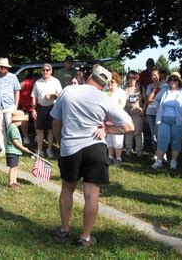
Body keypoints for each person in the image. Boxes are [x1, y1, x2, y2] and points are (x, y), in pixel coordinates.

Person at [50, 65, 134, 248]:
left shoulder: (68, 91)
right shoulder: (105, 98)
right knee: (91, 195)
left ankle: (64, 229)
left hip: (70, 147)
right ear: (104, 84)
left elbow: (56, 122)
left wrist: (59, 141)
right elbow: (129, 127)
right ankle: (86, 237)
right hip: (95, 148)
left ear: (89, 76)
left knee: (67, 189)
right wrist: (107, 129)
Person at [151, 72, 182, 170]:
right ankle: (159, 161)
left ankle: (173, 162)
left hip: (178, 121)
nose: (172, 82)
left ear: (179, 82)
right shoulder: (164, 91)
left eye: (175, 80)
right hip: (163, 120)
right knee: (162, 140)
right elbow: (155, 100)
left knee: (176, 141)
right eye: (171, 80)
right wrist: (158, 108)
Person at [31, 63, 62, 158]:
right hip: (40, 107)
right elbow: (34, 96)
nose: (45, 72)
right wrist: (33, 110)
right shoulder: (38, 82)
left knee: (51, 130)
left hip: (52, 107)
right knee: (39, 130)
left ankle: (49, 149)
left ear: (51, 71)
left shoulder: (55, 81)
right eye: (43, 70)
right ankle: (40, 150)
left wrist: (53, 96)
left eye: (47, 70)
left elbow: (61, 95)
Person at [0, 58, 21, 156]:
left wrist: (16, 104)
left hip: (9, 105)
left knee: (11, 127)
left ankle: (13, 147)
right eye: (1, 66)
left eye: (4, 67)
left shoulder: (13, 77)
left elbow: (17, 90)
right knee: (0, 128)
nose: (3, 68)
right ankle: (2, 148)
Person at [143, 68, 167, 157]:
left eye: (155, 75)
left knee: (160, 133)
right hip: (150, 112)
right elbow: (148, 99)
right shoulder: (150, 86)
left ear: (159, 75)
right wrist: (155, 88)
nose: (153, 77)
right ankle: (156, 152)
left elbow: (164, 100)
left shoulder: (165, 85)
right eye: (152, 75)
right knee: (153, 134)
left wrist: (154, 99)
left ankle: (162, 153)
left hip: (160, 112)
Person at [5, 110, 31, 189]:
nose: (22, 123)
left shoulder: (13, 127)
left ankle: (14, 181)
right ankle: (11, 182)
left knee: (15, 167)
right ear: (17, 120)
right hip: (12, 150)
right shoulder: (13, 128)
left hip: (15, 151)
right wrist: (23, 148)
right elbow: (15, 141)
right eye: (21, 121)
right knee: (13, 167)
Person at [106, 72, 127, 167]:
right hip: (107, 119)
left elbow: (121, 106)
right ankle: (110, 156)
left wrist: (113, 115)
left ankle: (118, 158)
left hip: (116, 119)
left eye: (113, 82)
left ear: (117, 82)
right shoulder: (106, 92)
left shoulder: (121, 92)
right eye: (109, 82)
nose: (110, 84)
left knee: (117, 140)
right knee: (109, 139)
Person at [124, 71, 144, 157]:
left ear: (137, 79)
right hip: (127, 113)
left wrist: (143, 109)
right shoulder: (124, 88)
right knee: (128, 132)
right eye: (130, 78)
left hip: (137, 113)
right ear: (127, 78)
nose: (132, 80)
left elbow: (146, 100)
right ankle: (128, 149)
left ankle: (139, 150)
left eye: (134, 78)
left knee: (138, 132)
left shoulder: (140, 88)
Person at [18, 70, 36, 145]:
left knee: (36, 119)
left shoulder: (40, 84)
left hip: (34, 106)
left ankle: (37, 136)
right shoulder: (26, 83)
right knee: (24, 121)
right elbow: (16, 89)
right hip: (24, 106)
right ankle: (25, 137)